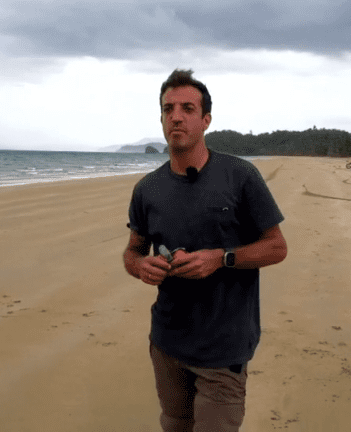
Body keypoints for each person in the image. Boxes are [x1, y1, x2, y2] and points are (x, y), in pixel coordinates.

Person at [123, 69, 287, 432]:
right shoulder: (148, 189)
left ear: (206, 119)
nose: (176, 117)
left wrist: (222, 258)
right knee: (174, 424)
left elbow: (277, 247)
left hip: (223, 348)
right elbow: (132, 252)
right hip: (167, 342)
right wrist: (141, 267)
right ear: (161, 119)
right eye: (168, 109)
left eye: (187, 109)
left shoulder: (239, 176)